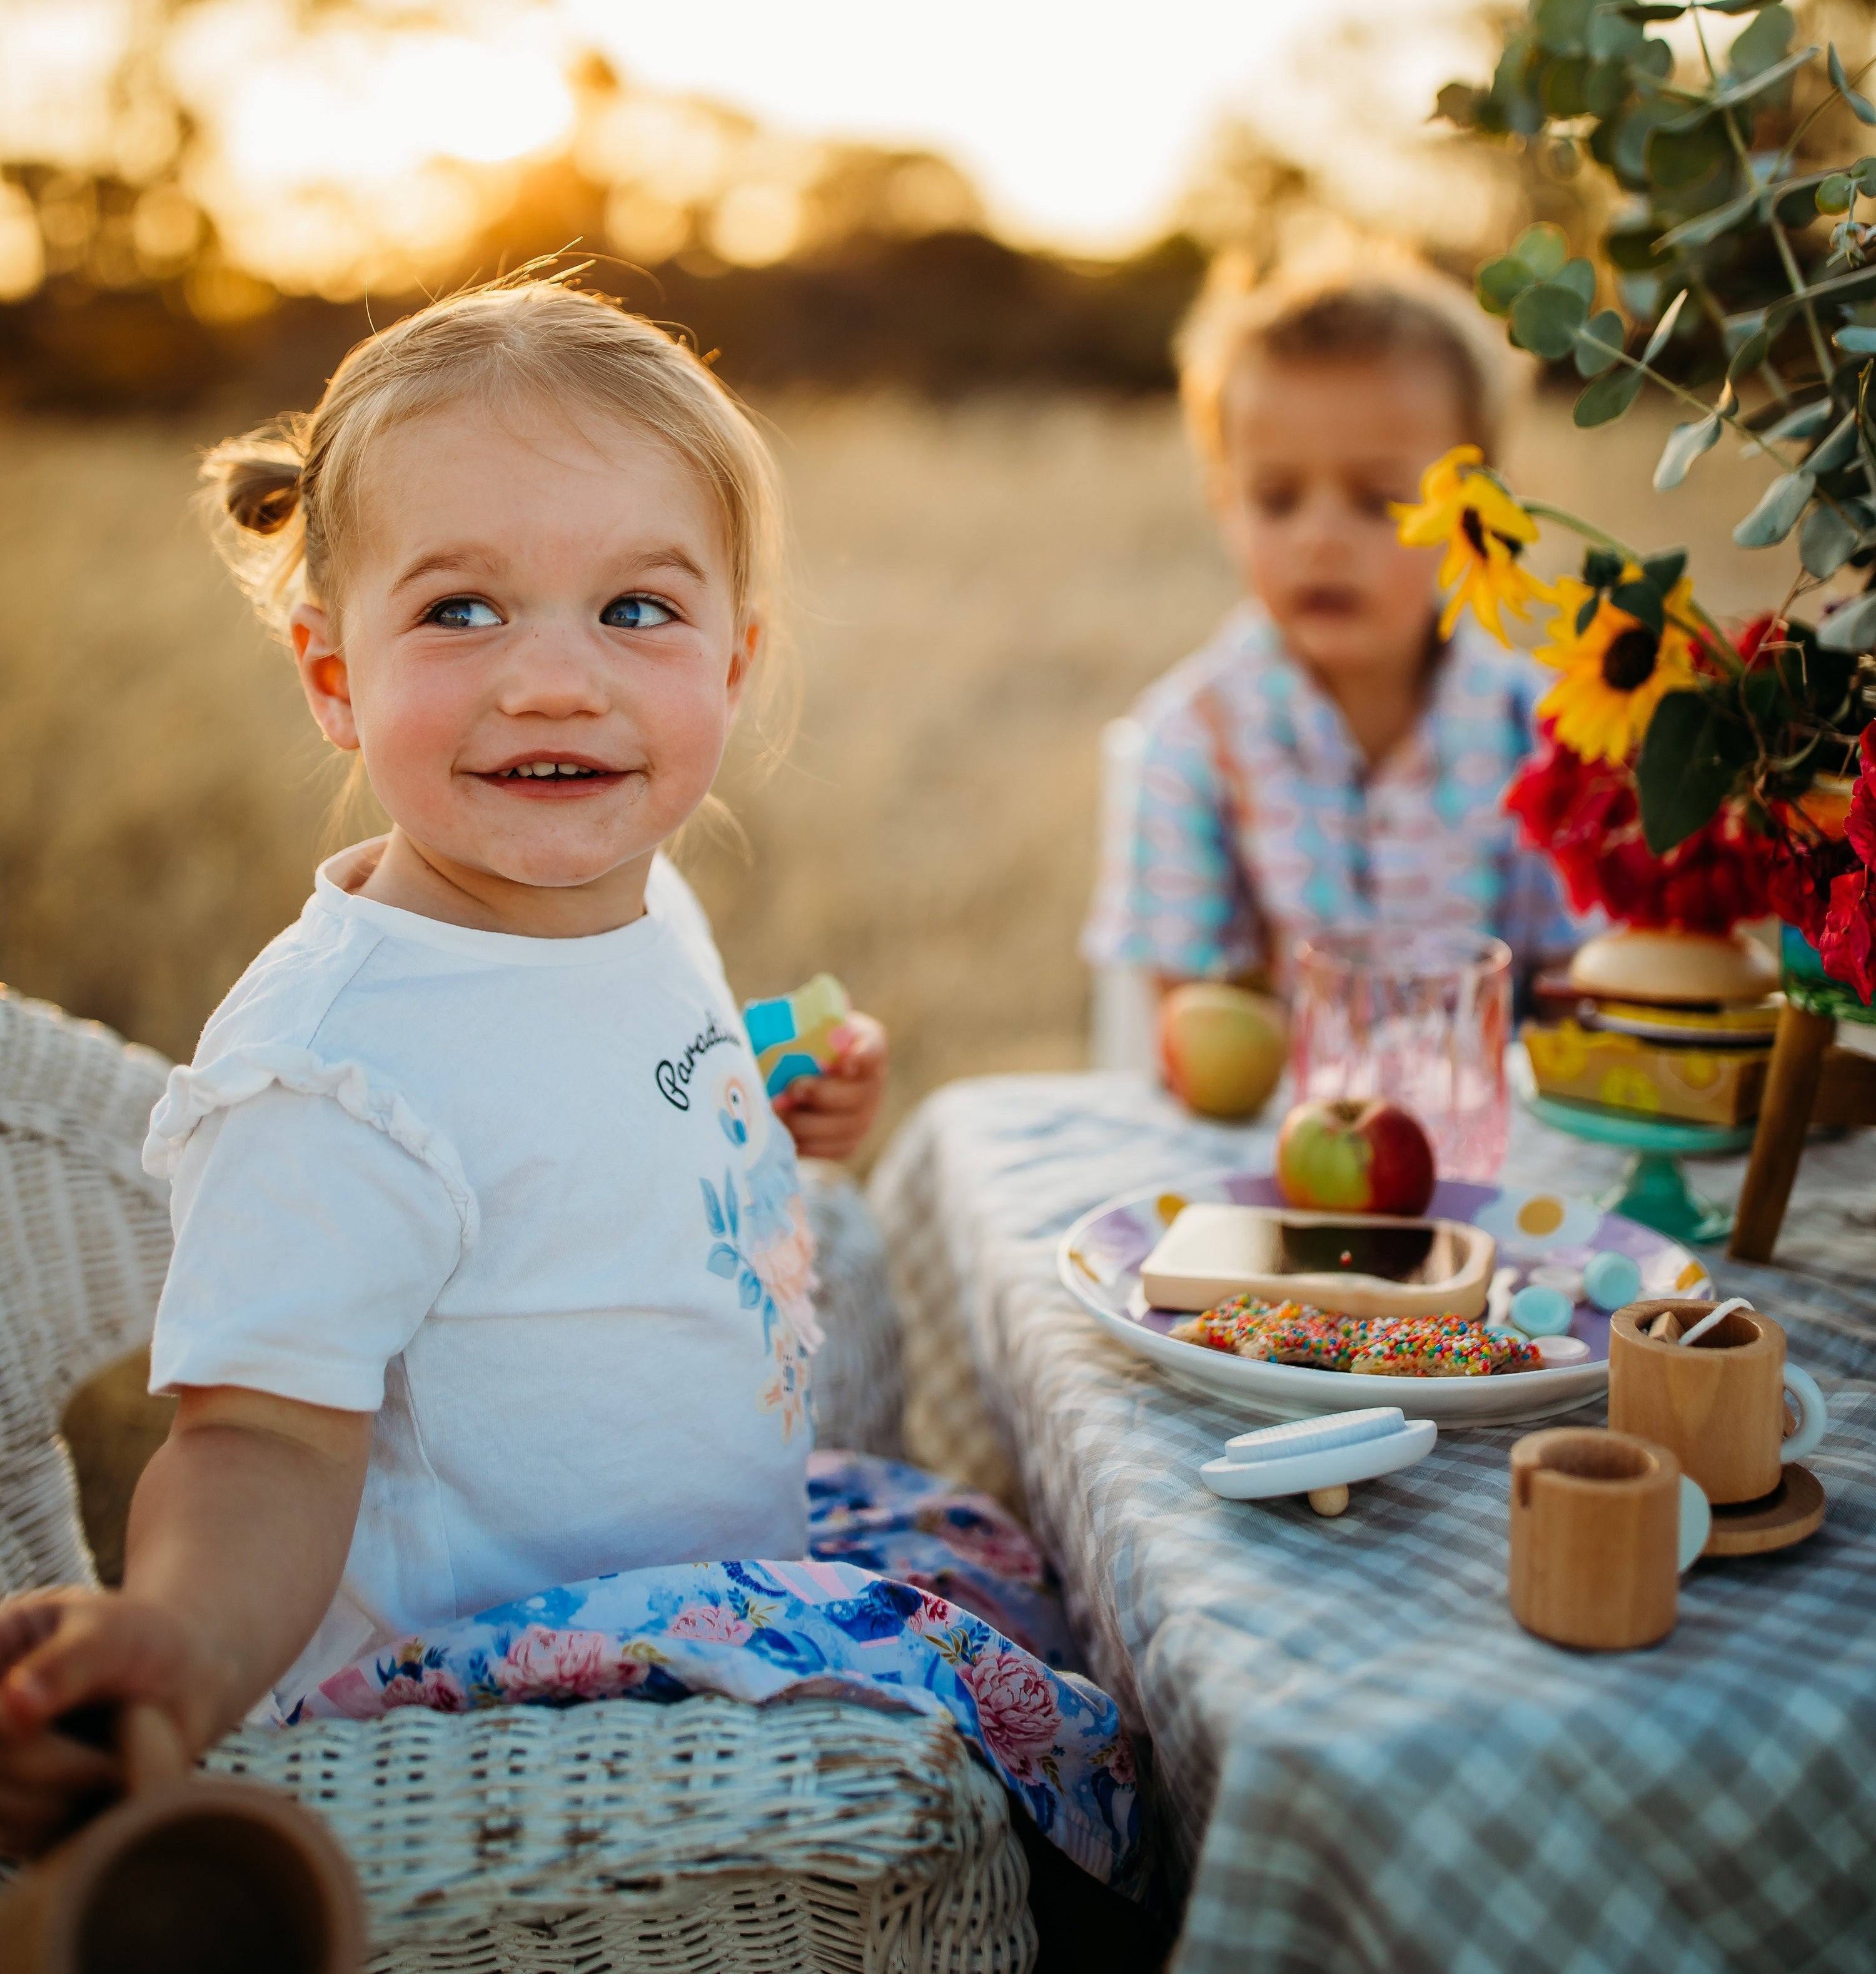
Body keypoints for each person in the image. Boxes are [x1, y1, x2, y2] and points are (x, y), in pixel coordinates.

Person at [0, 280, 1139, 1892]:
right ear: (333, 671)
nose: (553, 679)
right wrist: (180, 1638)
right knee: (1042, 1737)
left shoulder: (632, 888)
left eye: (635, 609)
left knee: (1022, 1568)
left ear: (732, 663)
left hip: (709, 1559)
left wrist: (762, 1090)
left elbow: (592, 1087)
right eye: (461, 609)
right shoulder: (338, 1069)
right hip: (504, 1684)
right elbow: (260, 1437)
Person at [1082, 257, 1584, 1006]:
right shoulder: (1192, 743)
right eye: (1277, 500)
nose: (1319, 538)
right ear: (1225, 505)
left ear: (1478, 511)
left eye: (1379, 502)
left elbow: (1573, 996)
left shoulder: (1540, 731)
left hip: (1491, 1117)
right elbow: (1193, 1023)